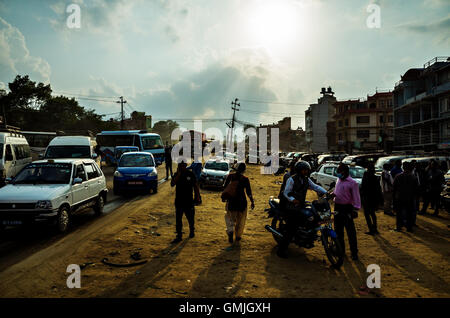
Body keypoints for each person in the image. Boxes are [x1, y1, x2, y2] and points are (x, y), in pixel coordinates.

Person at [277, 161, 327, 258]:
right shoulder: (291, 179)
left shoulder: (306, 180)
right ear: (299, 170)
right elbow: (286, 193)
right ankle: (281, 251)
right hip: (290, 207)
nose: (306, 172)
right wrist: (293, 200)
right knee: (292, 228)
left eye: (307, 170)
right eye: (304, 170)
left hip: (300, 205)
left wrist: (326, 193)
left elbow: (315, 187)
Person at [331, 163, 361, 261]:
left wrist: (355, 209)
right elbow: (336, 192)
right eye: (337, 171)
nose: (338, 173)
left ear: (345, 172)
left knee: (350, 232)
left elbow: (356, 198)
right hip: (337, 208)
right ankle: (341, 251)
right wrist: (332, 194)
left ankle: (354, 253)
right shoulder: (338, 180)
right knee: (338, 231)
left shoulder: (353, 183)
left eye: (339, 171)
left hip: (347, 208)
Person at [170, 161, 202, 243]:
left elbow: (195, 186)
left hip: (189, 200)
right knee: (178, 219)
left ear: (186, 166)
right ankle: (179, 235)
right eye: (180, 166)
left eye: (183, 166)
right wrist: (178, 174)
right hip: (179, 201)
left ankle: (192, 231)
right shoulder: (176, 174)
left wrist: (197, 196)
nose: (182, 167)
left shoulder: (190, 174)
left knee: (190, 218)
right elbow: (172, 184)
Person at [223, 162, 254, 244]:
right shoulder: (245, 179)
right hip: (242, 203)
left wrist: (224, 197)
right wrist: (252, 201)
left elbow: (225, 187)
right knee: (240, 221)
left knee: (230, 218)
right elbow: (248, 191)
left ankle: (230, 232)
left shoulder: (230, 176)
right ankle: (238, 236)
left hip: (232, 201)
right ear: (244, 170)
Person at [393, 162, 419, 232]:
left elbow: (394, 189)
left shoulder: (398, 176)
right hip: (410, 198)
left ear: (403, 168)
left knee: (399, 213)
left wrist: (394, 199)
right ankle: (409, 228)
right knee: (409, 213)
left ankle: (399, 227)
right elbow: (416, 189)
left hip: (400, 197)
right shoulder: (413, 177)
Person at [361, 163, 382, 235]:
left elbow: (363, 187)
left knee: (367, 214)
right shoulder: (375, 177)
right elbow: (378, 189)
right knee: (372, 214)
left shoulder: (366, 176)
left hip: (367, 198)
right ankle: (375, 228)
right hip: (373, 198)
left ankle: (371, 229)